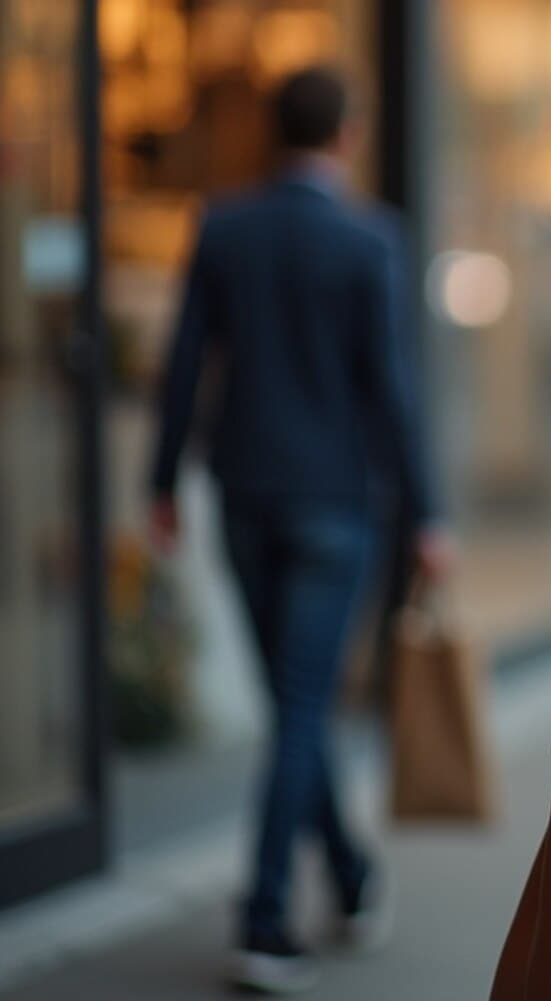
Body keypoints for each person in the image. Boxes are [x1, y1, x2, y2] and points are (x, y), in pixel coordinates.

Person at [150, 66, 447, 995]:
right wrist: (429, 511)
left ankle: (352, 880)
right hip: (335, 504)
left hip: (242, 495)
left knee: (294, 702)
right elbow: (391, 390)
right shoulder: (371, 240)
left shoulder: (225, 225)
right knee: (304, 704)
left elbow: (185, 361)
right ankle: (266, 920)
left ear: (274, 133)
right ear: (348, 135)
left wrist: (161, 480)